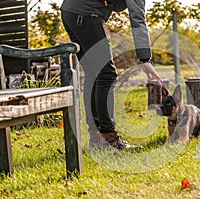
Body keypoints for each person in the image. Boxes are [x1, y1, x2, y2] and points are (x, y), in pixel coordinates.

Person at [60, 0, 163, 149]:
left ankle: (96, 138)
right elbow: (138, 19)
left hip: (71, 12)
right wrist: (145, 59)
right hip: (87, 13)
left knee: (93, 74)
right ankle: (109, 139)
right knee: (106, 75)